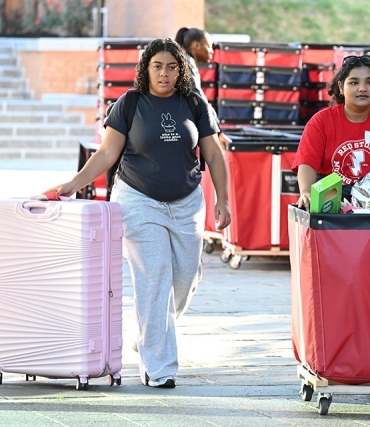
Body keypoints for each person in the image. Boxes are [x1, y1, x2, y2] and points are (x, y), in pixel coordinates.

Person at [46, 38, 231, 389]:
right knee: (155, 277)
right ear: (146, 69)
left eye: (172, 66)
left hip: (187, 202)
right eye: (157, 66)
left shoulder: (194, 102)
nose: (164, 73)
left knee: (185, 280)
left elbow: (214, 154)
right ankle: (158, 366)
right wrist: (74, 183)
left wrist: (223, 199)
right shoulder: (129, 104)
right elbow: (106, 154)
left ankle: (148, 335)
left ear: (182, 71)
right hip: (138, 199)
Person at [292, 54, 370, 209]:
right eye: (354, 82)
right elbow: (307, 163)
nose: (362, 88)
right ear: (341, 87)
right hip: (332, 204)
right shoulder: (321, 121)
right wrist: (305, 192)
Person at [175, 27, 231, 147]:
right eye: (209, 46)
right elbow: (199, 100)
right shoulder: (187, 65)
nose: (212, 51)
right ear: (197, 45)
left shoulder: (186, 63)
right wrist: (218, 132)